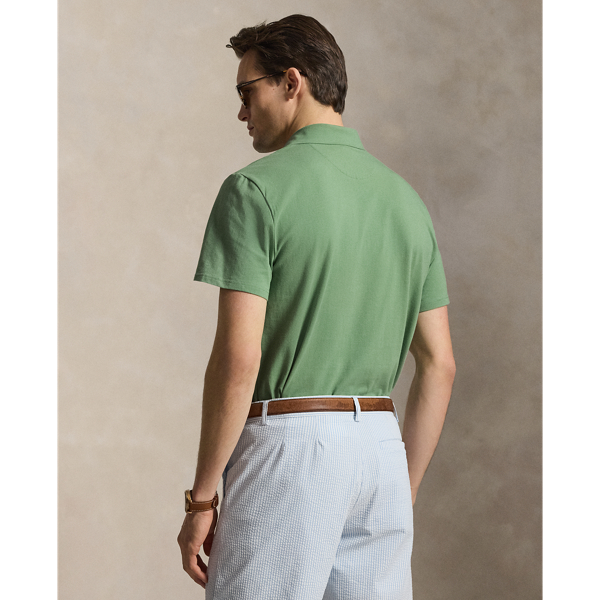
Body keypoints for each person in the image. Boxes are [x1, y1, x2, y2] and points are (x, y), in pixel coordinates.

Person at [177, 14, 456, 600]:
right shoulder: (406, 203)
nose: (241, 112)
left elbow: (238, 360)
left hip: (291, 447)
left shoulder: (254, 190)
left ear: (291, 82)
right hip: (381, 450)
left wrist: (201, 499)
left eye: (246, 92)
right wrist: (399, 489)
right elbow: (440, 365)